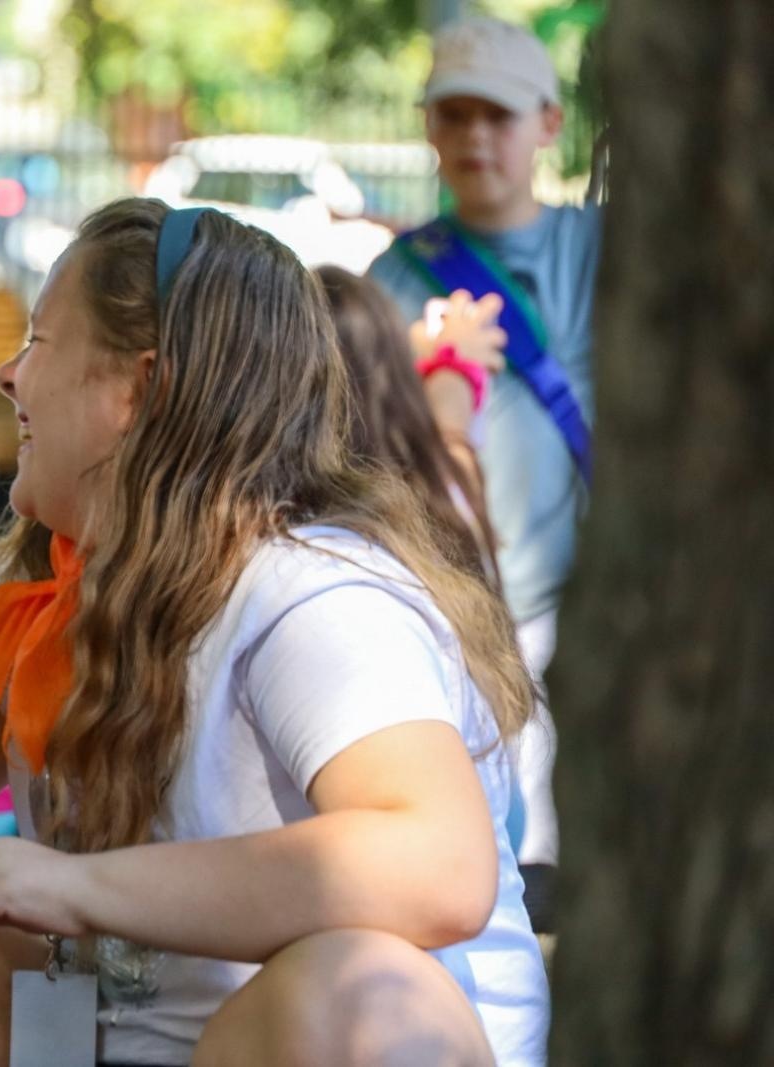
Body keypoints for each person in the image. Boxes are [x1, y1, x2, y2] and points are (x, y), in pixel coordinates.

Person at [0, 200, 551, 1066]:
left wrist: (72, 888)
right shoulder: (47, 588)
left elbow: (441, 863)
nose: (10, 374)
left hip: (284, 1041)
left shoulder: (313, 596)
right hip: (87, 1038)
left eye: (39, 340)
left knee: (348, 992)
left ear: (141, 387)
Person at [366, 15, 598, 902]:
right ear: (429, 127)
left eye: (497, 116)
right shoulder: (397, 278)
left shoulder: (606, 252)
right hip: (461, 621)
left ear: (546, 122)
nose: (474, 137)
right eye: (454, 114)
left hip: (590, 612)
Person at [316, 265, 503, 581]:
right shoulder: (449, 483)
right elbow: (451, 431)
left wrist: (448, 363)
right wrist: (451, 363)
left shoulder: (314, 533)